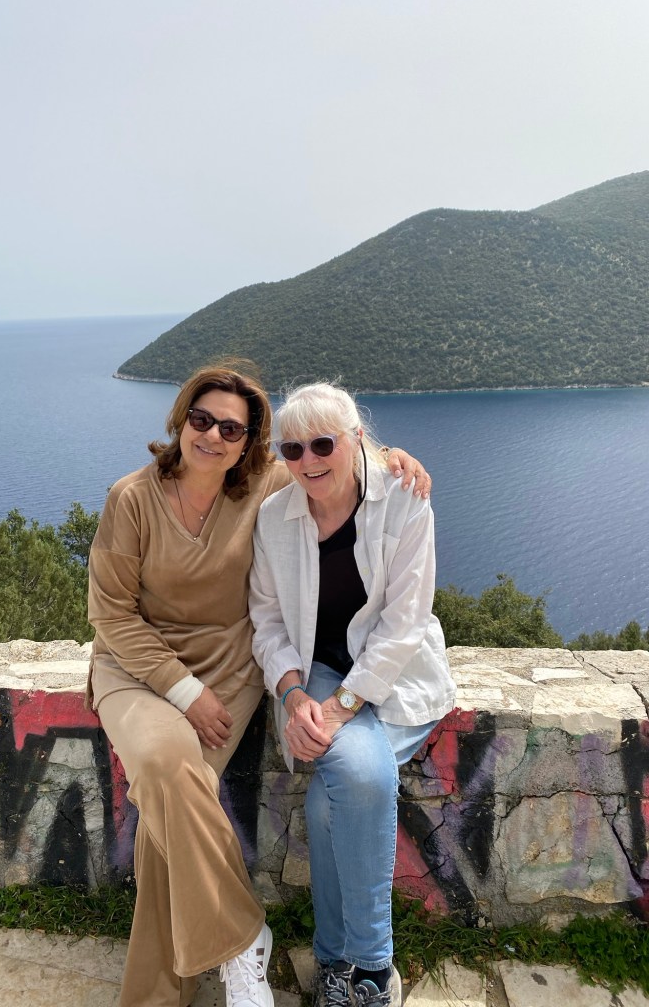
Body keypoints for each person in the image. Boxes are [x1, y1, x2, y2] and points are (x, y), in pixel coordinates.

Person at [86, 363, 432, 1007]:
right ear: (181, 419)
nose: (213, 435)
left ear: (249, 443)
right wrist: (187, 691)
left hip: (228, 667)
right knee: (165, 770)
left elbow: (333, 455)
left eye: (232, 428)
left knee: (168, 819)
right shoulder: (131, 498)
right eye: (201, 419)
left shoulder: (266, 484)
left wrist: (391, 457)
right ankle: (243, 938)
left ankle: (162, 993)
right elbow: (110, 615)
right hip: (138, 668)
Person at [249, 382, 456, 1007]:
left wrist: (342, 708)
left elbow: (404, 623)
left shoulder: (404, 499)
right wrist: (292, 696)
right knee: (356, 780)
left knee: (337, 796)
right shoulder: (274, 518)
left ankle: (356, 963)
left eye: (323, 444)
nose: (308, 460)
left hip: (396, 676)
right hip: (315, 671)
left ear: (356, 439)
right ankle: (359, 968)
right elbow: (268, 622)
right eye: (292, 449)